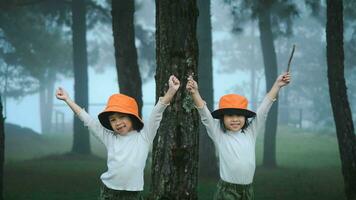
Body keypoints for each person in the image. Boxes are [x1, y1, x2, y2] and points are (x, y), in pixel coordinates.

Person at [55, 75, 180, 200]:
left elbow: (157, 112)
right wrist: (67, 99)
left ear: (131, 117)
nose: (117, 122)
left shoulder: (144, 136)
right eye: (113, 119)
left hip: (133, 195)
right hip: (109, 192)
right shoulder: (110, 138)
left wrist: (171, 90)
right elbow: (88, 120)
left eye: (121, 117)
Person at [186, 72, 291, 200]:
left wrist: (277, 85)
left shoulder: (250, 132)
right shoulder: (219, 133)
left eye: (239, 115)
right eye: (230, 115)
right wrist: (195, 93)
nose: (235, 119)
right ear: (222, 118)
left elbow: (264, 109)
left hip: (248, 191)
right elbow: (205, 114)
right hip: (227, 191)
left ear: (245, 118)